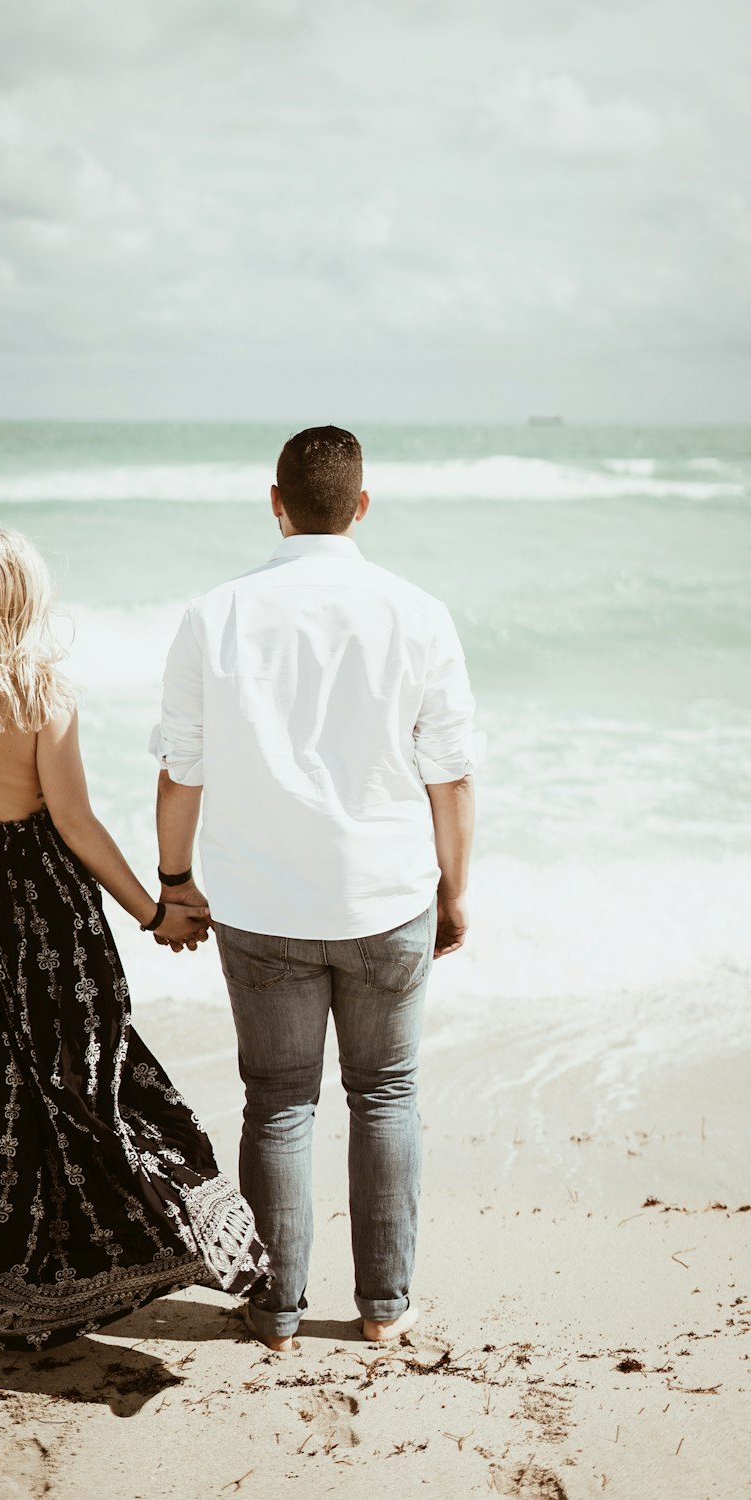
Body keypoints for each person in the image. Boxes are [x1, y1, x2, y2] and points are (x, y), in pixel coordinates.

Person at [0, 525, 269, 1352]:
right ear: (26, 595)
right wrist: (153, 912)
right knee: (82, 1074)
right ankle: (149, 1238)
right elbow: (75, 821)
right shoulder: (44, 690)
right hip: (36, 903)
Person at [151, 426, 479, 1354]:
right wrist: (455, 890)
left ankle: (277, 1311)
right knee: (387, 1095)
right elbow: (450, 776)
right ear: (362, 506)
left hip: (260, 907)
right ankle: (384, 1307)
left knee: (279, 1101)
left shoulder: (214, 614)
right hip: (387, 896)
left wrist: (175, 883)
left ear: (276, 501)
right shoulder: (419, 614)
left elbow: (182, 772)